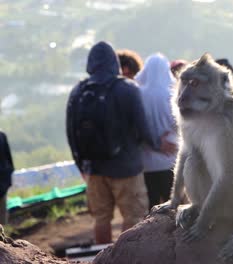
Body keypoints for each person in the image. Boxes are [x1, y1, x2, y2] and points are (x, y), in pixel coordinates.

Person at [66, 41, 164, 244]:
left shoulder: (78, 91)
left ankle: (103, 257)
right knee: (133, 217)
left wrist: (81, 166)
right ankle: (125, 257)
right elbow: (143, 127)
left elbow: (71, 134)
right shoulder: (128, 88)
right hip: (126, 167)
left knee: (101, 218)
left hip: (93, 168)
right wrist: (158, 144)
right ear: (114, 63)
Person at [135, 53, 178, 209]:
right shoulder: (171, 95)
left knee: (150, 206)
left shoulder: (138, 94)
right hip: (170, 158)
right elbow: (179, 123)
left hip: (145, 161)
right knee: (171, 206)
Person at [0, 130, 14, 225]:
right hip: (3, 179)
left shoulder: (2, 136)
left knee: (2, 210)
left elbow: (8, 158)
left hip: (2, 180)